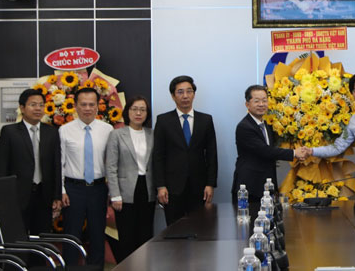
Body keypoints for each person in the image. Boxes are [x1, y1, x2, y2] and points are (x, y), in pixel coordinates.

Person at [153, 75, 218, 226]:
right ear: (173, 96)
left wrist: (210, 184)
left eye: (189, 91)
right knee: (174, 230)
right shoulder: (163, 121)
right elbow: (158, 156)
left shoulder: (206, 120)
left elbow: (212, 154)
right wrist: (160, 185)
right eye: (180, 92)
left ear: (194, 94)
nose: (185, 96)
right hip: (172, 188)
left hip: (199, 186)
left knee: (200, 229)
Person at [59, 87, 114, 266]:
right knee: (72, 234)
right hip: (73, 189)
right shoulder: (65, 130)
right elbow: (60, 163)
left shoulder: (108, 129)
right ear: (75, 106)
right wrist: (62, 190)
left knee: (98, 234)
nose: (88, 108)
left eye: (92, 104)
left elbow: (112, 163)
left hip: (98, 189)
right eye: (83, 104)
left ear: (98, 106)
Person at [0, 88, 61, 235]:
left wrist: (56, 195)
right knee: (17, 237)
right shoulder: (9, 132)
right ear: (22, 108)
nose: (38, 108)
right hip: (17, 196)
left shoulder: (51, 132)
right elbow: (2, 167)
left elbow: (56, 165)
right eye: (33, 104)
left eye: (41, 105)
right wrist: (3, 198)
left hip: (44, 195)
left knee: (41, 237)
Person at [231, 85, 307, 203]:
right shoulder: (244, 127)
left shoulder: (266, 125)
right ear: (247, 104)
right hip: (249, 187)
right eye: (257, 101)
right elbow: (265, 151)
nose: (261, 104)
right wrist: (294, 153)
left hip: (266, 185)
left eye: (264, 100)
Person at [106, 96, 156, 261]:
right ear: (127, 111)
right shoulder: (117, 135)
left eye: (142, 109)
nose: (138, 113)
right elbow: (111, 167)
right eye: (134, 109)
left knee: (145, 234)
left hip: (147, 189)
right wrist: (115, 195)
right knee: (127, 236)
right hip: (125, 191)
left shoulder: (152, 134)